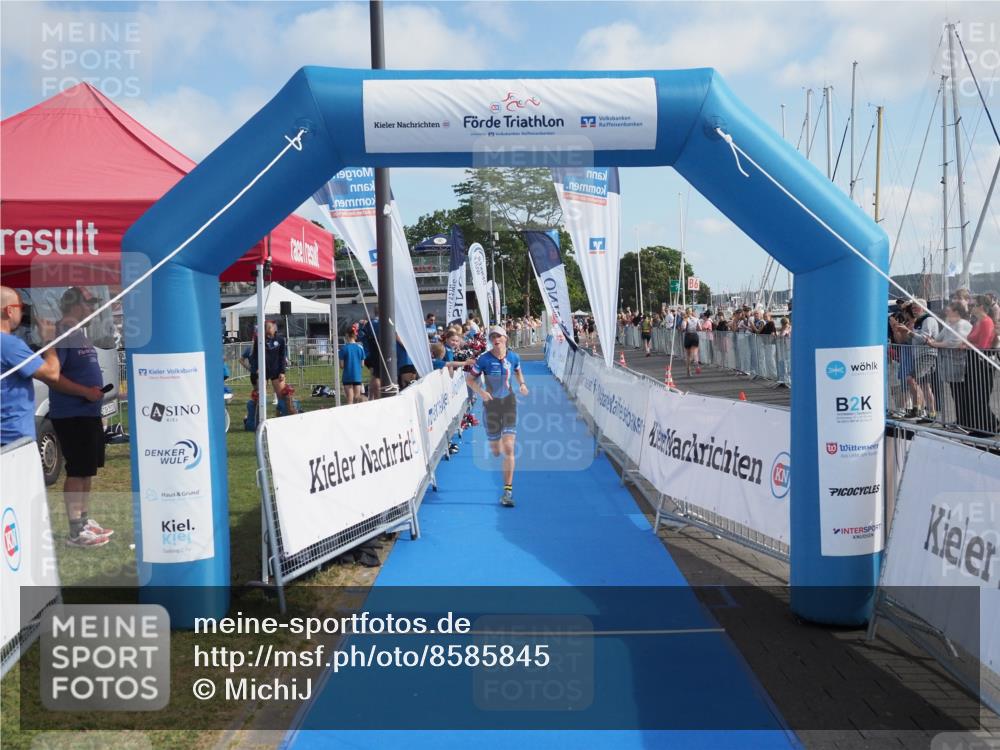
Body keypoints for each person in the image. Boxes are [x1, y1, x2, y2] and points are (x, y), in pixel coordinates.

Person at [48, 287, 114, 548]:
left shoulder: (78, 333)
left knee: (87, 470)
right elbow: (53, 375)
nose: (92, 309)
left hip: (87, 412)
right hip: (72, 413)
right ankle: (75, 531)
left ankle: (84, 522)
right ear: (75, 305)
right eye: (89, 304)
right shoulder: (61, 333)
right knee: (77, 470)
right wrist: (85, 391)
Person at [466, 326, 528, 508]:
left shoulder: (513, 357)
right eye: (493, 336)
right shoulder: (483, 359)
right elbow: (469, 379)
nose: (496, 339)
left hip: (509, 403)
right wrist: (481, 392)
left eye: (499, 336)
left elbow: (517, 370)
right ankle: (495, 441)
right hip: (491, 405)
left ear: (505, 338)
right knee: (496, 450)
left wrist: (522, 384)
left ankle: (507, 491)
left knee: (509, 448)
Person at [0, 286, 61, 445]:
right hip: (14, 437)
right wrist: (49, 340)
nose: (23, 313)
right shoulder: (9, 344)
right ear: (9, 311)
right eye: (21, 308)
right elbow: (52, 373)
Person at [926, 303, 973, 430]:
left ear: (957, 312)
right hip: (949, 367)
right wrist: (931, 341)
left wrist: (935, 344)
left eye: (949, 311)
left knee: (961, 395)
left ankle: (966, 422)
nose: (946, 313)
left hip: (960, 366)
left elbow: (954, 342)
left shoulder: (963, 324)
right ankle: (960, 420)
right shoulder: (949, 325)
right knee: (955, 394)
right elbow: (939, 338)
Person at [251, 319, 297, 416]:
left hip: (276, 371)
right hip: (263, 371)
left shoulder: (280, 340)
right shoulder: (259, 339)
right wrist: (256, 369)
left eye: (269, 327)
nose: (267, 329)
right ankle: (257, 419)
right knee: (260, 395)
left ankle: (282, 414)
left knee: (282, 395)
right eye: (265, 327)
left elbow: (282, 357)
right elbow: (254, 356)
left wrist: (282, 372)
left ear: (274, 328)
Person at [338, 329, 366, 405]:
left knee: (349, 400)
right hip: (357, 376)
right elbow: (362, 364)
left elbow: (341, 365)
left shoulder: (343, 349)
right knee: (357, 398)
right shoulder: (360, 348)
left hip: (347, 376)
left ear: (347, 336)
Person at [682, 308, 701, 376]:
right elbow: (700, 328)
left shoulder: (685, 319)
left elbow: (683, 327)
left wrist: (683, 328)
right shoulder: (696, 319)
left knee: (688, 355)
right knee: (695, 352)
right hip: (695, 335)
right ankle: (696, 364)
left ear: (686, 312)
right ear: (691, 312)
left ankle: (688, 371)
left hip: (688, 336)